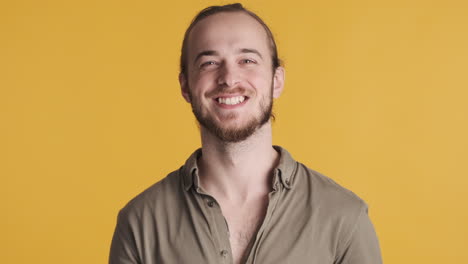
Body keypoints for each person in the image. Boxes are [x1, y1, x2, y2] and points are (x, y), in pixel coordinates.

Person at [109, 3, 382, 264]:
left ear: (276, 81)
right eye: (209, 63)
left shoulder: (344, 216)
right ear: (185, 86)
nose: (229, 78)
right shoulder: (140, 222)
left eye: (247, 60)